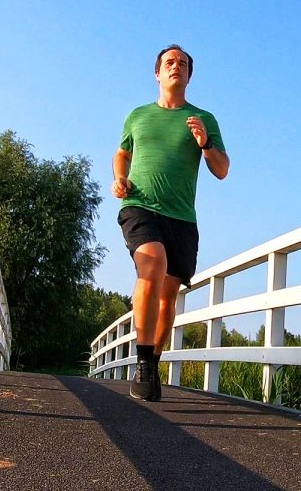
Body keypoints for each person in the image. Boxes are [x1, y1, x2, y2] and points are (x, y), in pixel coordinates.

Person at [111, 44, 230, 401]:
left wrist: (205, 144)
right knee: (153, 263)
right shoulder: (137, 115)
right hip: (140, 205)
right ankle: (144, 363)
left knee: (167, 299)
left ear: (189, 75)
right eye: (169, 62)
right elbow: (122, 153)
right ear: (158, 73)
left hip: (181, 217)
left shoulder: (203, 118)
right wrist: (120, 177)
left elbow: (222, 170)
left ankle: (154, 358)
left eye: (182, 63)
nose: (175, 66)